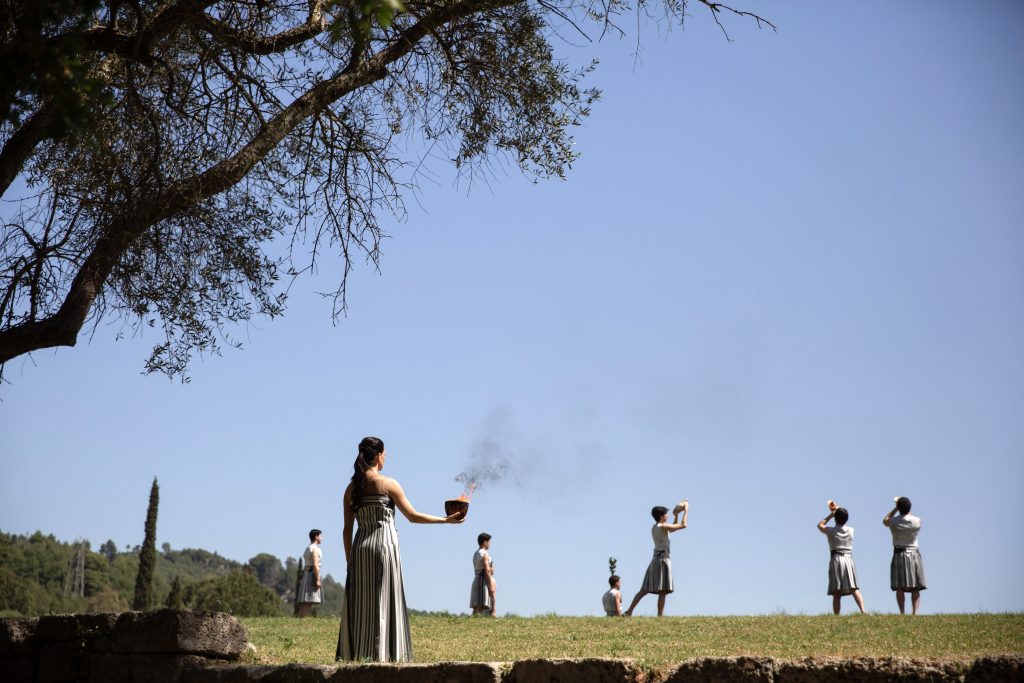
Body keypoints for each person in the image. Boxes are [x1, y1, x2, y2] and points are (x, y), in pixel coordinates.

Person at [336, 436, 464, 662]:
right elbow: (413, 516)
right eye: (385, 454)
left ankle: (358, 655)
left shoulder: (351, 489)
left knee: (362, 603)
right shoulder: (388, 484)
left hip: (360, 549)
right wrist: (446, 521)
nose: (386, 458)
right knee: (383, 601)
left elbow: (347, 530)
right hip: (384, 547)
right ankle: (384, 655)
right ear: (378, 456)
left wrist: (350, 562)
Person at [624, 500, 688, 617]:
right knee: (663, 591)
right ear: (661, 516)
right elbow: (683, 525)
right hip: (663, 559)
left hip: (655, 559)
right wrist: (686, 510)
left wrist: (676, 514)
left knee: (644, 589)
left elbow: (672, 528)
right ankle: (660, 615)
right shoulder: (663, 526)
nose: (667, 515)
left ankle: (629, 611)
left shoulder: (656, 527)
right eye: (666, 514)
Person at [817, 505, 866, 614]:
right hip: (848, 558)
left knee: (837, 591)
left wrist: (832, 514)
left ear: (835, 518)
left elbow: (820, 525)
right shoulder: (851, 530)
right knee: (854, 587)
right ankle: (863, 611)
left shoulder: (831, 531)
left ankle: (837, 615)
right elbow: (843, 522)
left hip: (836, 559)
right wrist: (838, 512)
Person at [884, 496, 926, 615]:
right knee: (916, 586)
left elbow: (885, 520)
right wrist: (905, 508)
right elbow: (909, 515)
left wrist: (896, 508)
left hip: (899, 552)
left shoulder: (894, 521)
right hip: (914, 552)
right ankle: (915, 612)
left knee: (900, 585)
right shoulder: (917, 521)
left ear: (898, 508)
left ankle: (902, 612)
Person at [296, 528, 323, 617]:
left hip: (307, 573)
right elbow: (315, 564)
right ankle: (302, 620)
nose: (322, 538)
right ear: (316, 537)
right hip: (312, 574)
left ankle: (300, 619)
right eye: (320, 536)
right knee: (309, 600)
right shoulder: (315, 549)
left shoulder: (308, 548)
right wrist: (318, 579)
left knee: (305, 601)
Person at [470, 532, 496, 616]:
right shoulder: (484, 554)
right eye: (489, 542)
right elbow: (487, 570)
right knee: (483, 605)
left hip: (477, 579)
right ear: (485, 542)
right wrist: (490, 584)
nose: (490, 544)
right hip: (483, 581)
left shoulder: (476, 553)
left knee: (476, 607)